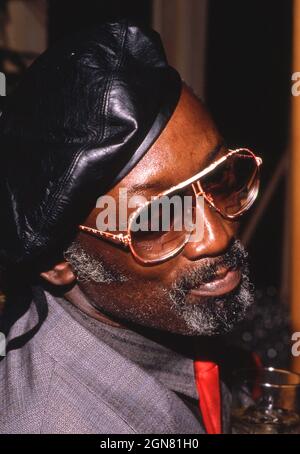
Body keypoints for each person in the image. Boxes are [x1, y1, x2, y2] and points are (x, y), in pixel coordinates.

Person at [0, 20, 262, 434]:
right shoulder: (54, 421)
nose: (219, 234)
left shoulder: (163, 320)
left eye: (219, 178)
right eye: (159, 217)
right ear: (57, 262)